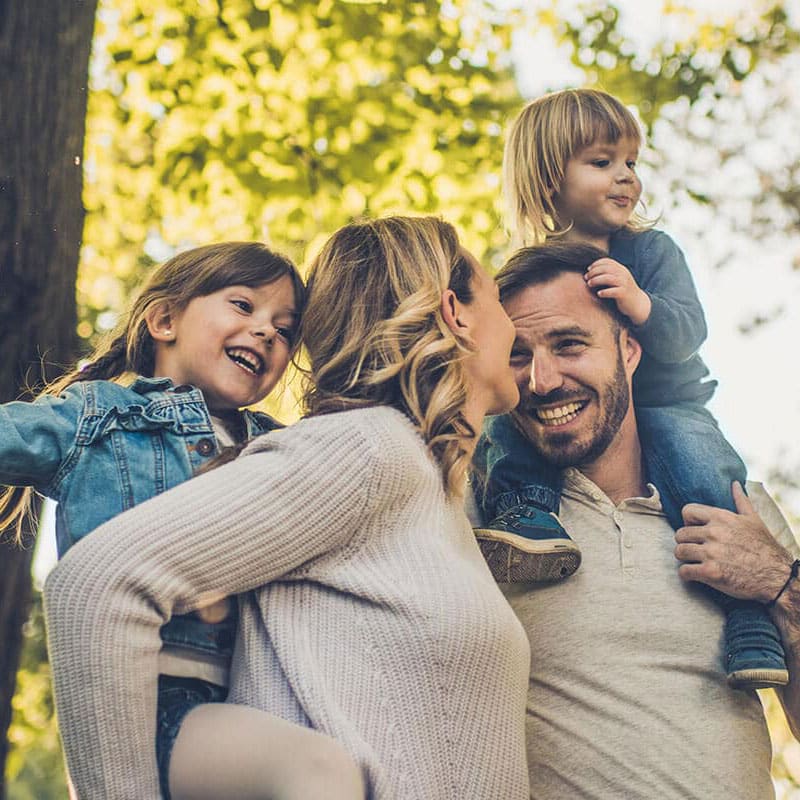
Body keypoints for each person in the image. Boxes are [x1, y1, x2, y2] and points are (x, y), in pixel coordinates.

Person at [42, 216, 531, 800]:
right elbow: (95, 584)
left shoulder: (438, 486)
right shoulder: (368, 449)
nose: (516, 327)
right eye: (500, 300)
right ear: (455, 312)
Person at [0, 242, 369, 800]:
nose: (268, 332)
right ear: (165, 319)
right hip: (143, 702)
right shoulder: (100, 415)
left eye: (285, 329)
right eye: (244, 306)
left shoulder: (277, 446)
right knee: (317, 771)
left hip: (247, 699)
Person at [473, 87, 786, 690]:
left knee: (704, 475)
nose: (626, 178)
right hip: (576, 431)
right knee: (501, 428)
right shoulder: (526, 274)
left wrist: (640, 304)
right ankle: (527, 515)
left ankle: (749, 619)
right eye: (602, 162)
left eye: (631, 163)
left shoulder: (649, 252)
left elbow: (689, 331)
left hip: (666, 403)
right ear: (547, 178)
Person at [470, 241, 800, 799]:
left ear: (629, 350)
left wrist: (781, 584)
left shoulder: (734, 506)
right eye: (518, 355)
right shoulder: (487, 514)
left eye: (569, 344)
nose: (542, 381)